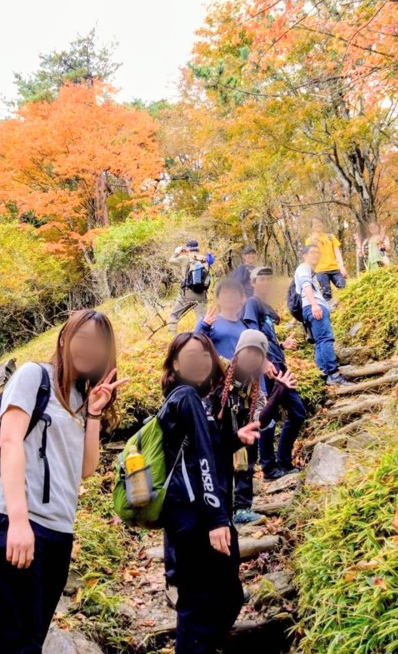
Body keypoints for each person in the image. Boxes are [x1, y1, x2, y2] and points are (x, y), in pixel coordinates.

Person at [0, 309, 127, 654]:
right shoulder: (34, 377)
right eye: (82, 338)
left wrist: (93, 413)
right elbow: (10, 441)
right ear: (64, 339)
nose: (89, 349)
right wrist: (17, 521)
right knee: (15, 644)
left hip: (57, 531)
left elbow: (85, 468)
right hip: (13, 523)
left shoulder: (79, 396)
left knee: (27, 640)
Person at [159, 332, 260, 654]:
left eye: (204, 355)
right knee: (201, 604)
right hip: (197, 520)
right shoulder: (186, 396)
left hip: (195, 515)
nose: (200, 362)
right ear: (174, 364)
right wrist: (217, 519)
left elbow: (202, 453)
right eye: (189, 356)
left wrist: (233, 438)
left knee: (221, 597)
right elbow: (201, 459)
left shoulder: (191, 400)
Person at [214, 330, 298, 524]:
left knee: (247, 460)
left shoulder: (255, 388)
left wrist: (279, 391)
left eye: (257, 354)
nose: (251, 357)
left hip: (241, 440)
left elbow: (260, 419)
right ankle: (221, 515)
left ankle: (242, 508)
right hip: (216, 437)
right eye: (248, 351)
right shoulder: (219, 369)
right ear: (238, 352)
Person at [243, 266, 307, 479]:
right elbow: (250, 333)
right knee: (268, 418)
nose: (267, 283)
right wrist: (262, 360)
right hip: (267, 369)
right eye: (262, 280)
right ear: (253, 283)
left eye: (270, 279)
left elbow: (265, 338)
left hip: (279, 366)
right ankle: (270, 468)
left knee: (297, 412)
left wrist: (281, 343)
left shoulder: (265, 308)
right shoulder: (252, 303)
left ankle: (283, 461)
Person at [295, 245, 353, 387]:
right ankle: (333, 375)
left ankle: (324, 374)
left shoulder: (309, 270)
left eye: (317, 253)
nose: (315, 255)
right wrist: (314, 305)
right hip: (314, 307)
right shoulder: (304, 267)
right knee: (326, 339)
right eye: (312, 253)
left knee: (320, 341)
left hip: (312, 307)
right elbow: (306, 286)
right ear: (304, 255)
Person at [168, 240, 214, 334]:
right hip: (202, 294)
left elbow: (171, 261)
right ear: (198, 248)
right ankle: (203, 339)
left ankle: (173, 338)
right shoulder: (205, 259)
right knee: (202, 320)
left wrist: (177, 252)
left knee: (174, 315)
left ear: (187, 248)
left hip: (187, 294)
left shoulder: (185, 258)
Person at [194, 278, 248, 359]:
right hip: (217, 370)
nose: (229, 296)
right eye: (225, 292)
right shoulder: (208, 321)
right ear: (218, 299)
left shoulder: (245, 327)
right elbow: (194, 345)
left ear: (241, 299)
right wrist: (204, 326)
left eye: (233, 292)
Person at [305, 217, 347, 304]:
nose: (318, 225)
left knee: (344, 287)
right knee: (326, 293)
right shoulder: (309, 241)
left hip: (334, 268)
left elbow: (337, 251)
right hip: (320, 270)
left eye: (319, 222)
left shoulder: (330, 237)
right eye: (315, 223)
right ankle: (330, 311)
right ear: (312, 227)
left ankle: (346, 306)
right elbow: (309, 257)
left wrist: (342, 266)